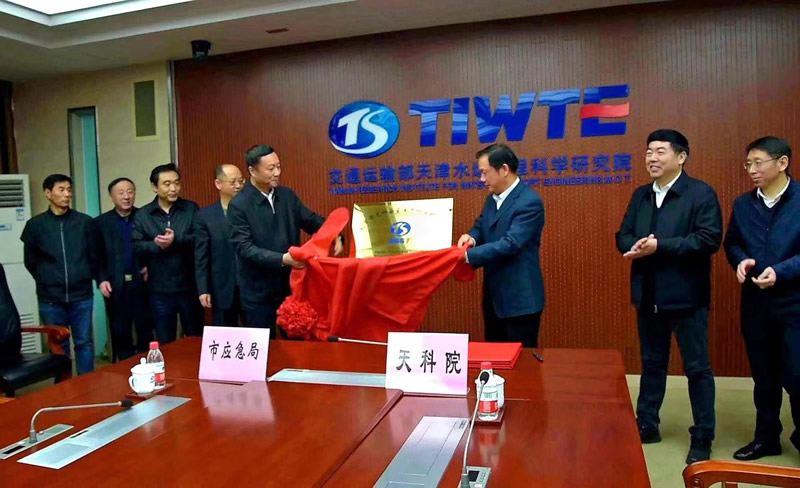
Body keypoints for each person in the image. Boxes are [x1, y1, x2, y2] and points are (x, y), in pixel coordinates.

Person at [615, 129, 722, 464]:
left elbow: (708, 239)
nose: (652, 158)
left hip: (686, 296)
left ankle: (703, 435)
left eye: (660, 151)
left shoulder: (700, 193)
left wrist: (661, 246)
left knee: (697, 368)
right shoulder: (641, 195)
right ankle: (647, 424)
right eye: (649, 152)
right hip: (648, 294)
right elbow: (623, 234)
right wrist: (633, 246)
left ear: (681, 156)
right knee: (651, 363)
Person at [723, 136, 800, 461]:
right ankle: (766, 438)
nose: (751, 170)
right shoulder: (743, 204)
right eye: (748, 164)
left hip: (795, 303)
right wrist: (741, 260)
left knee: (797, 375)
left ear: (782, 163)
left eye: (758, 162)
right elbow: (732, 243)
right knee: (764, 376)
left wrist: (781, 272)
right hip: (755, 303)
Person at [228, 144, 343, 336]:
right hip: (257, 291)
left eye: (278, 166)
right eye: (270, 168)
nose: (277, 173)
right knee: (264, 344)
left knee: (295, 342)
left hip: (290, 287)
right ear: (252, 171)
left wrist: (334, 233)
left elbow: (310, 220)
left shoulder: (287, 196)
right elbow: (245, 248)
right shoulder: (239, 205)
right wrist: (283, 259)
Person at [456, 143, 545, 347]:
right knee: (495, 357)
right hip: (495, 298)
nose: (482, 179)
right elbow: (481, 225)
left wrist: (468, 256)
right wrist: (471, 238)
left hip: (520, 301)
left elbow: (510, 244)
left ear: (504, 169)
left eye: (485, 172)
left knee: (520, 361)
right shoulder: (493, 198)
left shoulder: (529, 202)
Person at [20, 174, 100, 375]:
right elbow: (30, 261)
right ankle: (63, 384)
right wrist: (46, 279)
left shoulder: (84, 222)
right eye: (61, 190)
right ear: (48, 193)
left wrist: (84, 275)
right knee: (58, 346)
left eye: (69, 190)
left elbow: (94, 255)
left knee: (84, 342)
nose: (67, 194)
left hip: (81, 294)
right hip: (50, 297)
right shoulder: (35, 225)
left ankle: (86, 383)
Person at [132, 164, 200, 344]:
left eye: (176, 183)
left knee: (194, 339)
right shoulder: (143, 214)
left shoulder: (191, 208)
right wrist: (157, 245)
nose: (173, 188)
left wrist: (175, 240)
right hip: (159, 289)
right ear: (154, 187)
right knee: (164, 341)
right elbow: (136, 246)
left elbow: (200, 239)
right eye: (167, 184)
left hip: (189, 286)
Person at [96, 177, 153, 361]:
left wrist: (149, 266)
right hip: (115, 284)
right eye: (120, 193)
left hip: (142, 282)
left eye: (130, 191)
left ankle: (147, 365)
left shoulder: (144, 216)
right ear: (111, 197)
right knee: (119, 330)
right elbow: (96, 255)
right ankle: (123, 366)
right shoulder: (101, 223)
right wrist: (101, 279)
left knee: (145, 327)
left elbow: (152, 245)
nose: (126, 196)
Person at [195, 164, 245, 326]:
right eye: (233, 182)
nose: (238, 185)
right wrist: (203, 289)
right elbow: (201, 256)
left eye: (241, 181)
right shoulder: (205, 216)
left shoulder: (252, 211)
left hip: (251, 287)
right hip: (221, 287)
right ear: (218, 184)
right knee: (225, 333)